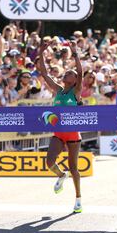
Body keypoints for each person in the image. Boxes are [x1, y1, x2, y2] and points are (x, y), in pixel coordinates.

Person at [38, 40, 84, 213]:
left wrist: (75, 52)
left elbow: (80, 71)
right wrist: (41, 53)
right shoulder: (57, 89)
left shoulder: (76, 91)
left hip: (73, 135)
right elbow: (44, 73)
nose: (67, 73)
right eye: (67, 72)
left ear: (74, 80)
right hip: (58, 133)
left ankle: (78, 199)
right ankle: (60, 175)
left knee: (74, 168)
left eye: (70, 73)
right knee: (49, 162)